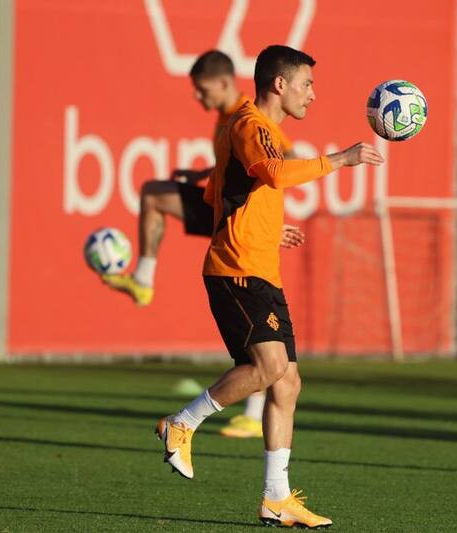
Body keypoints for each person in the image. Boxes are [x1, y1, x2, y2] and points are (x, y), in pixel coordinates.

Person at [155, 45, 384, 528]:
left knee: (288, 382)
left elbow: (219, 193)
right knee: (268, 367)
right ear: (279, 84)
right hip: (235, 270)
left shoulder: (264, 130)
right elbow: (275, 174)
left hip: (260, 264)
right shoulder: (249, 125)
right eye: (307, 84)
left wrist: (262, 227)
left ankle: (275, 498)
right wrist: (339, 160)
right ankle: (182, 423)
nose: (313, 95)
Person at [103, 50, 302, 439]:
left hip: (240, 220)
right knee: (264, 346)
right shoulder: (229, 119)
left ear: (225, 82)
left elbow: (281, 159)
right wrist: (201, 174)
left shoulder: (248, 116)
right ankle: (143, 280)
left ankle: (248, 411)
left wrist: (267, 219)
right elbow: (237, 166)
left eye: (201, 88)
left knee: (269, 352)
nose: (197, 96)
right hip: (226, 212)